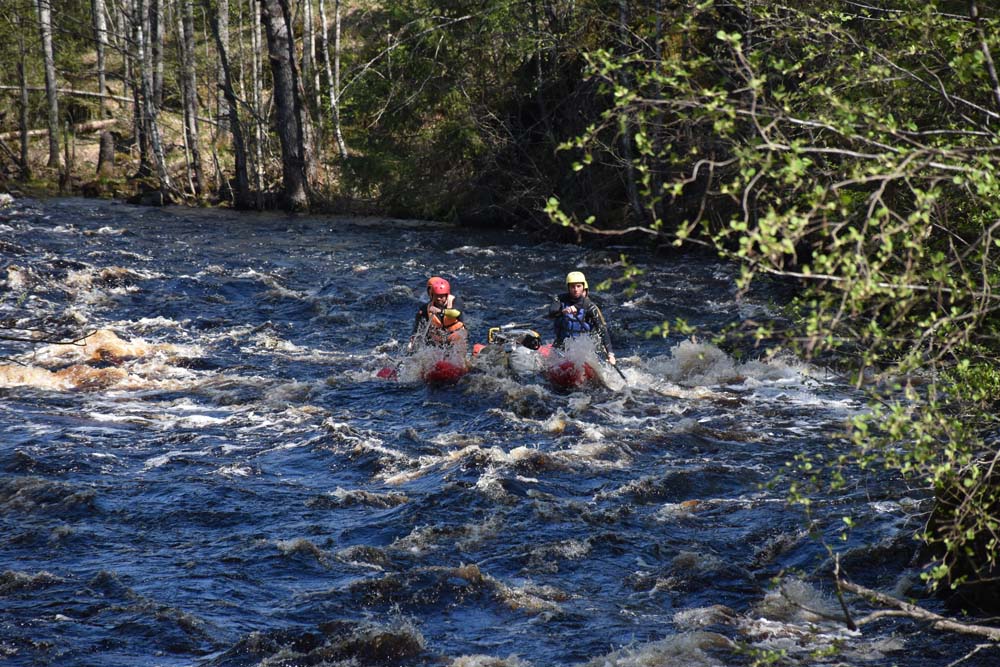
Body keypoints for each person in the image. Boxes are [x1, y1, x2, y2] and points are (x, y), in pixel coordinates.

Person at [545, 270, 616, 365]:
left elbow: (603, 330)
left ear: (583, 287)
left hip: (580, 351)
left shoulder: (590, 307)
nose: (576, 289)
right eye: (572, 286)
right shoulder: (559, 299)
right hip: (561, 346)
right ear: (568, 287)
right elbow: (551, 313)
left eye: (579, 286)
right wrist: (563, 312)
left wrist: (610, 354)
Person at [409, 276, 467, 352]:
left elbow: (456, 313)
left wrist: (440, 311)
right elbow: (418, 328)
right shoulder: (425, 309)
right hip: (439, 339)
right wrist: (412, 342)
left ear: (447, 295)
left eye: (442, 296)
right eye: (436, 295)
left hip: (455, 334)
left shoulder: (456, 301)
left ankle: (460, 361)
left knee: (457, 337)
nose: (439, 298)